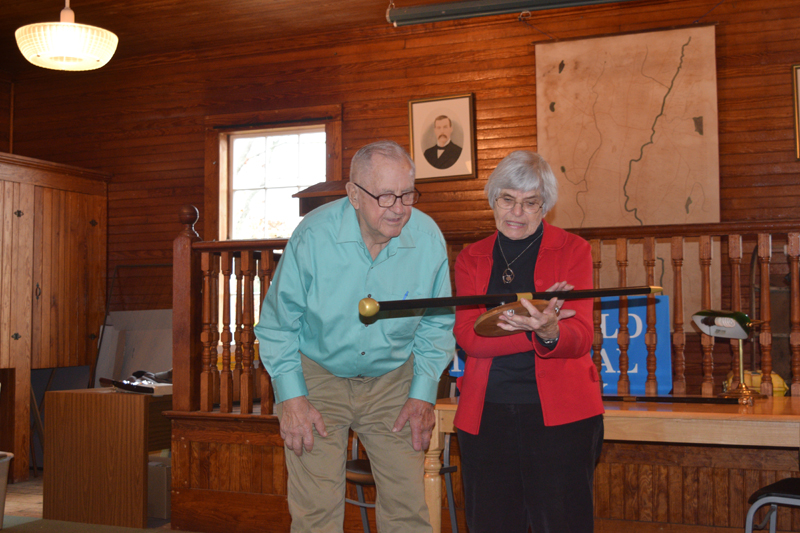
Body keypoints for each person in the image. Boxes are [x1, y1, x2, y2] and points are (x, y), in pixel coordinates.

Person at [254, 140, 455, 533]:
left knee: (407, 509)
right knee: (315, 513)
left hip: (393, 379)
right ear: (353, 195)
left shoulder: (428, 239)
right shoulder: (312, 236)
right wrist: (291, 397)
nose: (399, 208)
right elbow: (278, 325)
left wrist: (422, 393)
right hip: (317, 376)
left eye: (407, 194)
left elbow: (436, 322)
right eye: (384, 196)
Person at [453, 150, 604, 532]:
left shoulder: (573, 250)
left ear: (545, 207)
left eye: (530, 203)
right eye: (507, 199)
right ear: (493, 200)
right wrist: (535, 328)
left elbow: (581, 336)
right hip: (486, 415)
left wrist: (551, 331)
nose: (516, 212)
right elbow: (470, 339)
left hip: (562, 418)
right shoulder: (471, 258)